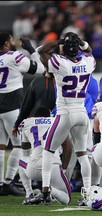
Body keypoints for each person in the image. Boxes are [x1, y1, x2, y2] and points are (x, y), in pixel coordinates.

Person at [31, 32, 95, 203]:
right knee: (82, 154)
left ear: (64, 49)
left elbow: (42, 51)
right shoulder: (88, 62)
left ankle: (45, 189)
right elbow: (89, 51)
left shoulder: (60, 63)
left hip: (65, 112)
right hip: (81, 113)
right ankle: (87, 192)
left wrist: (60, 41)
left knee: (48, 150)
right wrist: (80, 42)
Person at [0, 32, 45, 195]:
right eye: (11, 40)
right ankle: (8, 182)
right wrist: (31, 50)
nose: (13, 42)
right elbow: (39, 69)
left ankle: (0, 183)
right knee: (19, 144)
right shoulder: (14, 56)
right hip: (11, 103)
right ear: (6, 43)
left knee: (1, 146)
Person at [19, 106, 72, 205]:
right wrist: (64, 169)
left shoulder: (27, 123)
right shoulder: (56, 122)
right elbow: (68, 147)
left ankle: (29, 193)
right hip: (54, 168)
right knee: (66, 199)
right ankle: (50, 190)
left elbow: (24, 147)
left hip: (33, 169)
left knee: (22, 160)